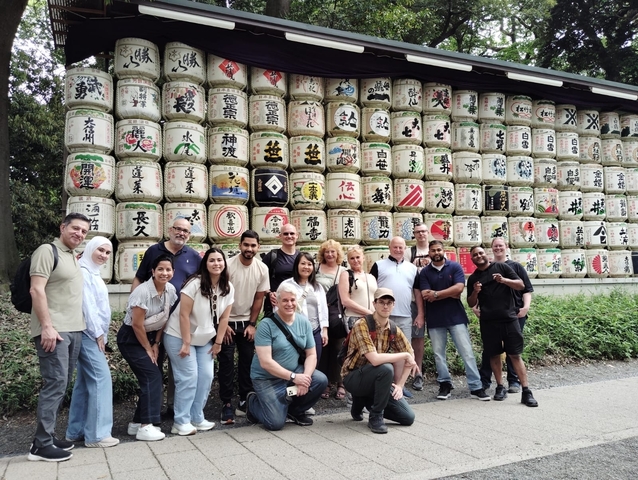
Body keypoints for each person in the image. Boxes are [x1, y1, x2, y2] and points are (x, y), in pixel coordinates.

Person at [27, 213, 90, 462]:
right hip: (55, 330)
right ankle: (40, 446)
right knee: (54, 383)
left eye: (84, 231)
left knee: (61, 384)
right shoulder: (47, 250)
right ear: (62, 227)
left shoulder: (72, 256)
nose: (79, 234)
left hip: (74, 329)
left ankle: (48, 437)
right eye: (75, 228)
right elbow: (36, 289)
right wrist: (47, 326)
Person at [131, 217, 201, 418]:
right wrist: (133, 304)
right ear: (170, 230)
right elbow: (140, 277)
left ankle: (173, 407)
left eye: (185, 231)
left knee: (178, 366)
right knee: (154, 364)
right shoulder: (155, 251)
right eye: (178, 229)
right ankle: (149, 411)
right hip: (155, 319)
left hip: (181, 319)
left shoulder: (194, 256)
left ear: (189, 234)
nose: (181, 233)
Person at [164, 248, 233, 435]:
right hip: (179, 335)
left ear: (224, 263)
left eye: (220, 260)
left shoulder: (227, 287)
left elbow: (224, 319)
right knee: (189, 377)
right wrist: (186, 343)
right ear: (205, 263)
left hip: (204, 338)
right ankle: (181, 421)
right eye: (212, 260)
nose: (216, 263)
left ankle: (196, 416)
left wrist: (218, 342)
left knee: (206, 376)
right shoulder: (194, 283)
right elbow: (183, 315)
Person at [245, 283, 328, 431]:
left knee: (319, 380)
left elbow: (311, 354)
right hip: (267, 378)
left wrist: (305, 379)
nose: (289, 304)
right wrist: (294, 377)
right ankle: (253, 403)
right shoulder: (266, 325)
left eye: (292, 300)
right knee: (275, 423)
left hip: (293, 373)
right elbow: (266, 363)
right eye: (285, 300)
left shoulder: (304, 322)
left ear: (297, 301)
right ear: (276, 301)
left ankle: (294, 411)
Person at [467, 246, 538, 407]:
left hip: (509, 318)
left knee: (515, 355)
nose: (478, 256)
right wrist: (475, 292)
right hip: (488, 321)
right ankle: (500, 386)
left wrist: (504, 280)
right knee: (493, 355)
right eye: (475, 255)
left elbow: (521, 285)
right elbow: (471, 302)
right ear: (472, 260)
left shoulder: (502, 267)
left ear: (486, 254)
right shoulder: (473, 278)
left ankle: (526, 391)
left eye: (480, 253)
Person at [65, 236, 119, 448]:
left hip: (91, 333)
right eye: (101, 251)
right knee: (101, 379)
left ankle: (75, 431)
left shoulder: (92, 272)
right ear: (90, 249)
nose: (104, 255)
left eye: (107, 252)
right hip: (87, 333)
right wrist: (98, 335)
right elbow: (87, 306)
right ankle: (97, 435)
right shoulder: (84, 272)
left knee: (85, 383)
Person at [117, 255, 178, 442]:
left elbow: (164, 319)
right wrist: (148, 348)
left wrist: (156, 344)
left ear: (173, 272)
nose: (164, 273)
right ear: (152, 271)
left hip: (152, 338)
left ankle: (136, 423)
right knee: (152, 376)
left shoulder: (171, 290)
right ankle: (146, 426)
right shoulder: (141, 292)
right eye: (160, 269)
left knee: (152, 376)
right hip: (132, 339)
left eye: (168, 270)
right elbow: (137, 325)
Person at [340, 288, 417, 434]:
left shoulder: (393, 328)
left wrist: (400, 385)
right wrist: (404, 355)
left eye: (389, 303)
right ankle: (375, 416)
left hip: (378, 379)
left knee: (408, 417)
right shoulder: (362, 325)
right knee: (386, 368)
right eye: (381, 302)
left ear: (393, 305)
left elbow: (411, 355)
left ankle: (365, 401)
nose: (385, 306)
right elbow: (374, 360)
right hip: (353, 377)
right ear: (374, 304)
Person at [420, 240, 489, 401]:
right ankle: (445, 384)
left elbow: (459, 289)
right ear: (429, 253)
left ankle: (475, 386)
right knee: (439, 354)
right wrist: (449, 293)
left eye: (438, 249)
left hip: (456, 316)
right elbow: (425, 294)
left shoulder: (455, 267)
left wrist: (436, 294)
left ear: (443, 251)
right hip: (435, 319)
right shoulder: (424, 273)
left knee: (467, 352)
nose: (436, 252)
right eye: (433, 250)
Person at [220, 231, 269, 424]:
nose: (249, 249)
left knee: (247, 362)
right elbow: (220, 295)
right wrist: (222, 324)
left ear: (258, 247)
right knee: (226, 364)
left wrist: (252, 324)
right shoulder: (228, 265)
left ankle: (244, 399)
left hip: (247, 323)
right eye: (246, 245)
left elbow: (259, 298)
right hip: (227, 322)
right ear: (240, 245)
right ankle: (226, 404)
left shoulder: (262, 268)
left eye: (253, 246)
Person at [478, 238, 534, 393]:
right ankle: (486, 381)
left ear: (506, 247)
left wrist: (526, 307)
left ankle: (514, 381)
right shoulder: (485, 268)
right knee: (491, 350)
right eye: (495, 246)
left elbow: (526, 289)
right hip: (492, 317)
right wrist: (476, 308)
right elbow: (480, 292)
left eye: (501, 246)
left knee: (513, 351)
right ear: (491, 248)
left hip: (515, 313)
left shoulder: (515, 266)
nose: (498, 248)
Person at [370, 236, 424, 396]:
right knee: (381, 351)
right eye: (395, 247)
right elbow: (372, 290)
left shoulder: (412, 268)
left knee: (402, 352)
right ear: (389, 247)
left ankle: (399, 385)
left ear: (405, 248)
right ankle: (382, 385)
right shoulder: (378, 266)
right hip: (383, 316)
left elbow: (417, 293)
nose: (398, 250)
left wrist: (420, 314)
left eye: (401, 247)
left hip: (405, 316)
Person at [280, 252, 329, 362]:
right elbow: (278, 309)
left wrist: (324, 330)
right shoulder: (286, 285)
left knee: (314, 362)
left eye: (309, 264)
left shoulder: (317, 287)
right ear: (296, 265)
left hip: (315, 331)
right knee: (294, 363)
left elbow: (323, 309)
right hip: (294, 332)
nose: (306, 267)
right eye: (303, 263)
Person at [315, 240, 347, 400]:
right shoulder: (316, 269)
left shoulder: (344, 271)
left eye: (333, 251)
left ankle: (341, 383)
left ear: (338, 254)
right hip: (319, 313)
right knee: (323, 348)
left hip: (338, 315)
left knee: (339, 348)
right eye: (327, 251)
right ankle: (325, 383)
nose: (330, 254)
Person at [406, 223, 431, 391]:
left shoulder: (436, 249)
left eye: (423, 231)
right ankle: (418, 372)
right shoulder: (410, 252)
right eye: (417, 232)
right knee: (417, 336)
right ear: (414, 234)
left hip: (436, 299)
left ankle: (443, 373)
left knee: (438, 336)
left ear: (427, 233)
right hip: (415, 300)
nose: (421, 234)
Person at [261, 223, 299, 317]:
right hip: (276, 304)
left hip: (297, 304)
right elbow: (260, 280)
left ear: (297, 236)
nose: (289, 236)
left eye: (292, 233)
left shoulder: (301, 257)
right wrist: (269, 293)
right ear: (280, 236)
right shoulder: (272, 256)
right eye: (285, 234)